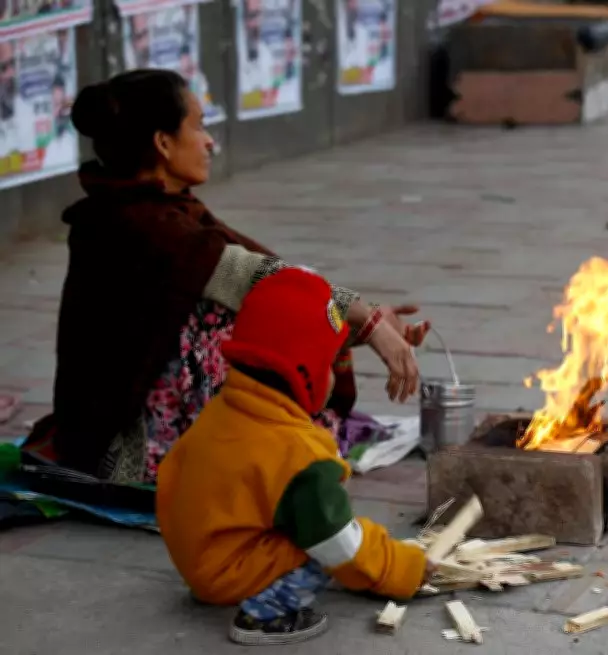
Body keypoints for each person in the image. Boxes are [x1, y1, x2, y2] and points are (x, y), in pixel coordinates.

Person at [23, 68, 427, 484]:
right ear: (163, 143)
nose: (209, 141)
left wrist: (354, 320)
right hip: (121, 446)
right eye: (198, 126)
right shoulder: (139, 227)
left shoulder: (165, 212)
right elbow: (256, 276)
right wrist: (363, 317)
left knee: (284, 303)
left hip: (132, 426)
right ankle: (230, 445)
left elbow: (268, 274)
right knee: (239, 309)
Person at [157, 267, 433, 645]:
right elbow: (341, 544)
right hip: (228, 572)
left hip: (200, 558)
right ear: (305, 370)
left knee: (307, 519)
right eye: (331, 363)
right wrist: (401, 567)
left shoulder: (221, 412)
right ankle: (264, 616)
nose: (335, 377)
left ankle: (233, 582)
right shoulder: (299, 457)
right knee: (320, 540)